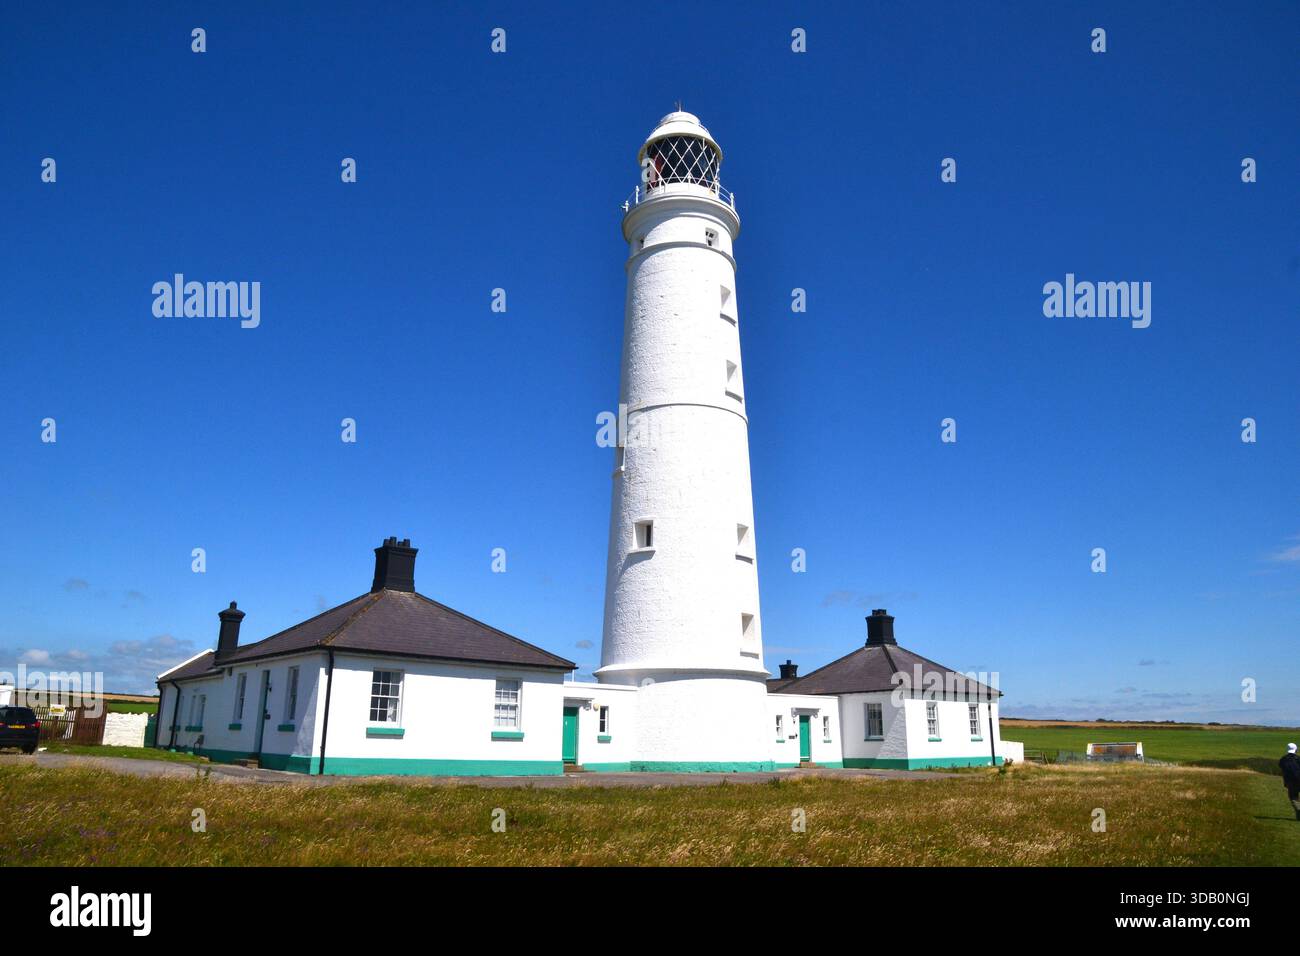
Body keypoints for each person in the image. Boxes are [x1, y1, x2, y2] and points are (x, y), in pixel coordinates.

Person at [1280, 743, 1300, 821]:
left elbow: (1282, 768)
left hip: (1290, 782)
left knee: (1294, 798)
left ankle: (1299, 810)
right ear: (1296, 749)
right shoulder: (1298, 759)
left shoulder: (1283, 759)